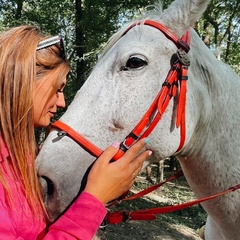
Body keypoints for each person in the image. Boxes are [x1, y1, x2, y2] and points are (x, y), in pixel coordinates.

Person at [0, 25, 152, 239]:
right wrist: (95, 199)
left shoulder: (20, 155)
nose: (61, 102)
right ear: (23, 80)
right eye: (58, 89)